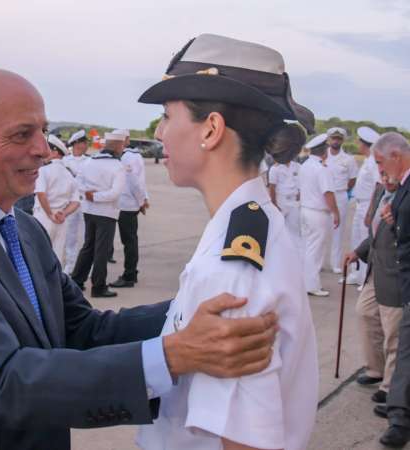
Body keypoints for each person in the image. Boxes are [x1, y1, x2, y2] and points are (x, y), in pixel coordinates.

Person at [0, 66, 278, 450]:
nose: (43, 151)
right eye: (22, 135)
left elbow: (85, 331)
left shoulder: (23, 230)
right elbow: (5, 383)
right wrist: (173, 355)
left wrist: (192, 306)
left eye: (43, 132)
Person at [135, 33, 318, 450]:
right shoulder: (251, 226)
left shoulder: (230, 267)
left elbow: (245, 441)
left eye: (167, 115)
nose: (160, 132)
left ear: (211, 129)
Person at [344, 175, 402, 408]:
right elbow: (375, 234)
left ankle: (391, 387)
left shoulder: (405, 196)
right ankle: (376, 369)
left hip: (397, 273)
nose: (387, 179)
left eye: (391, 175)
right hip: (377, 268)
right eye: (382, 173)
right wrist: (358, 251)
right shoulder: (380, 191)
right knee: (365, 312)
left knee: (394, 331)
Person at [371, 132, 410, 447]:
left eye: (382, 162)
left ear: (396, 154)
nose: (381, 171)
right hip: (404, 281)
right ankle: (399, 406)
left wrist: (396, 217)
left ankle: (400, 417)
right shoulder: (402, 187)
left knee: (405, 349)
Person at [71, 131, 126, 297]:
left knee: (88, 246)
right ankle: (98, 287)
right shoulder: (118, 166)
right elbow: (115, 193)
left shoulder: (89, 161)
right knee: (101, 250)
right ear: (118, 146)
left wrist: (89, 194)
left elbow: (77, 183)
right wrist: (95, 196)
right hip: (106, 212)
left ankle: (76, 282)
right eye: (122, 146)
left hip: (89, 210)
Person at [300, 133, 340, 297]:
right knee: (315, 250)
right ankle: (312, 285)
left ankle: (304, 282)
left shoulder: (305, 166)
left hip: (304, 210)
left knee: (307, 248)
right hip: (318, 213)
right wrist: (336, 212)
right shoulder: (322, 169)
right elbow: (328, 194)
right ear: (325, 151)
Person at [110, 129, 149, 288]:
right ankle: (131, 273)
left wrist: (141, 201)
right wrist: (143, 198)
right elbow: (141, 181)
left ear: (125, 140)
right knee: (131, 240)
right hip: (129, 203)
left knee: (129, 242)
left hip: (126, 205)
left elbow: (134, 182)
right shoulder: (134, 155)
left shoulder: (127, 157)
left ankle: (129, 276)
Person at [33, 134, 80, 266]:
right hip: (61, 219)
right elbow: (76, 202)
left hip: (44, 215)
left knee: (38, 256)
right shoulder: (69, 174)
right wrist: (63, 213)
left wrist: (50, 214)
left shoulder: (44, 170)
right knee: (57, 255)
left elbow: (41, 194)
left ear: (54, 152)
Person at [346, 126, 381, 286]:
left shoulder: (373, 161)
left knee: (364, 240)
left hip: (367, 205)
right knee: (356, 239)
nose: (357, 145)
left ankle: (364, 278)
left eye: (359, 142)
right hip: (360, 204)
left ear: (364, 144)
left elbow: (378, 185)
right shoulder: (368, 160)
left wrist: (370, 212)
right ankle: (356, 274)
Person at [325, 127, 358, 274]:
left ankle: (335, 264)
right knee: (322, 229)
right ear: (329, 139)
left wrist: (343, 188)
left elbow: (352, 179)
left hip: (340, 195)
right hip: (324, 196)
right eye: (334, 138)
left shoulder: (348, 159)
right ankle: (318, 263)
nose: (336, 141)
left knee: (338, 231)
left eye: (338, 138)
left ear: (342, 140)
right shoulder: (323, 156)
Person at [63, 129, 90, 273]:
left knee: (88, 236)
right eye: (84, 143)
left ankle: (87, 267)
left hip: (86, 202)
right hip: (71, 203)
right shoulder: (65, 161)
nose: (86, 145)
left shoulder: (90, 161)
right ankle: (70, 265)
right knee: (70, 236)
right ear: (77, 144)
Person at [268, 155, 301, 239]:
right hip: (280, 201)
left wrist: (300, 194)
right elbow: (272, 188)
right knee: (279, 231)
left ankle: (294, 250)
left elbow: (302, 182)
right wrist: (275, 206)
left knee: (295, 230)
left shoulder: (297, 166)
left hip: (294, 202)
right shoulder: (275, 169)